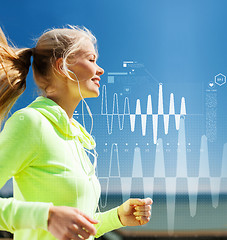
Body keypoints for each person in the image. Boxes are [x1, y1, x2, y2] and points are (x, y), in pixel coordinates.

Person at [0, 25, 153, 240]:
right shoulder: (31, 123)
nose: (100, 69)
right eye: (91, 60)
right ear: (62, 67)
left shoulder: (72, 135)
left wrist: (117, 217)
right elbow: (54, 220)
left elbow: (76, 227)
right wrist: (46, 216)